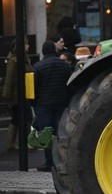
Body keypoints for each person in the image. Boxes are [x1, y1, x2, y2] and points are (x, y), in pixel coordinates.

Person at [31, 40, 73, 171]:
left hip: (43, 105)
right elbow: (70, 85)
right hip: (60, 104)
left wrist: (34, 104)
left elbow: (34, 88)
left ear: (43, 51)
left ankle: (49, 162)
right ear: (55, 51)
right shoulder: (65, 66)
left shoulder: (38, 67)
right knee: (60, 133)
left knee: (46, 133)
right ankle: (61, 160)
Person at [2, 39, 33, 152]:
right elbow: (9, 79)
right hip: (18, 95)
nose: (28, 46)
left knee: (15, 119)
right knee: (27, 117)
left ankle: (11, 143)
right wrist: (8, 95)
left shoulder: (22, 58)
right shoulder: (15, 60)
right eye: (26, 44)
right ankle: (28, 143)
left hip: (21, 93)